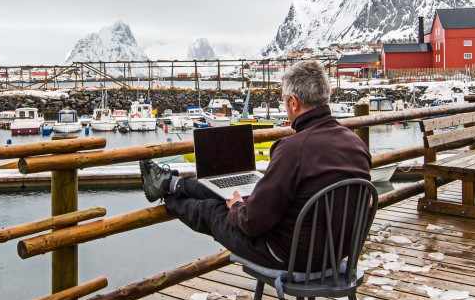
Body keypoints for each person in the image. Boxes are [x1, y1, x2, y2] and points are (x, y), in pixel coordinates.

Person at [140, 60, 371, 269]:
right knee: (225, 194)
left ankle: (168, 197)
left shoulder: (292, 149)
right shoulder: (355, 143)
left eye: (283, 99)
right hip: (337, 253)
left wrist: (238, 207)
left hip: (291, 257)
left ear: (293, 102)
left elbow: (252, 223)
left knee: (212, 210)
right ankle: (171, 183)